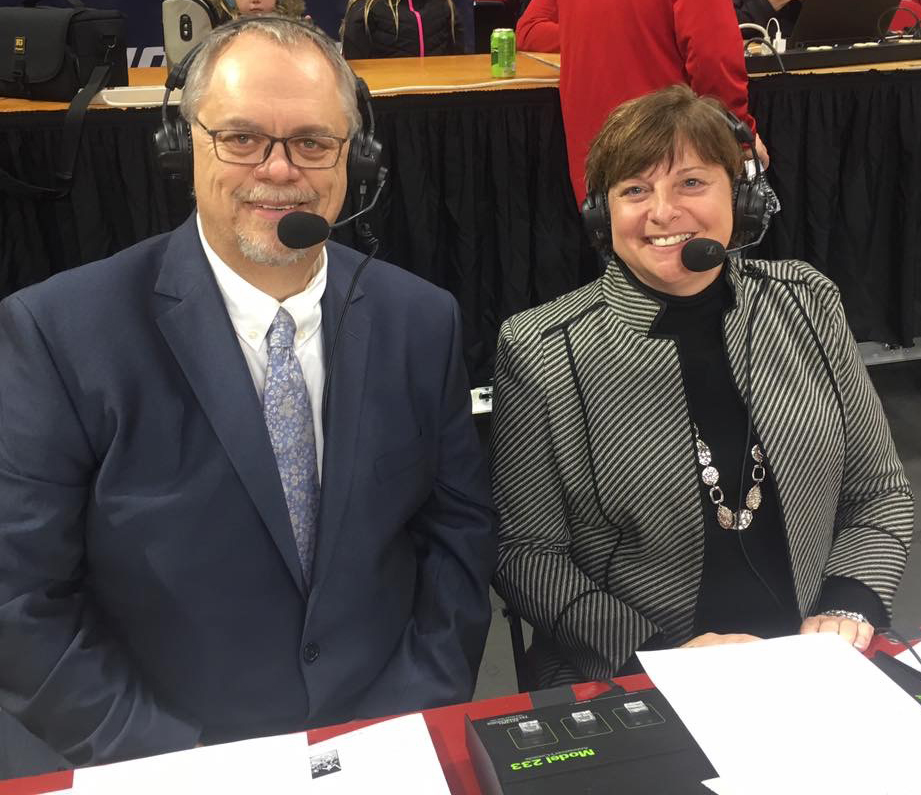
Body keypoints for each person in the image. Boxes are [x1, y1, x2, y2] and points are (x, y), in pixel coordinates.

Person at [0, 17, 496, 766]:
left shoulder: (421, 321)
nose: (278, 168)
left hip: (380, 746)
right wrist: (186, 765)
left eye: (311, 142)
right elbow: (20, 602)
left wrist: (397, 728)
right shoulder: (59, 334)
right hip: (164, 758)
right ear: (182, 148)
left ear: (354, 158)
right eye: (241, 138)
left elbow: (457, 543)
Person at [490, 85, 913, 687]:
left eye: (691, 182)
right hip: (637, 667)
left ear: (742, 198)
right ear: (600, 213)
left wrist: (847, 602)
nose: (663, 212)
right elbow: (527, 553)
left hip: (818, 651)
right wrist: (661, 653)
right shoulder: (540, 348)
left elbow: (878, 492)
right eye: (635, 190)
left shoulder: (806, 299)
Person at [514, 0, 766, 208]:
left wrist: (599, 33)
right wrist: (739, 136)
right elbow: (714, 59)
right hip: (675, 164)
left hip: (602, 170)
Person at [340, 0, 464, 59]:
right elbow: (354, 74)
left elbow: (458, 62)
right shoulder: (365, 10)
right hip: (385, 105)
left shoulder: (445, 6)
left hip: (438, 103)